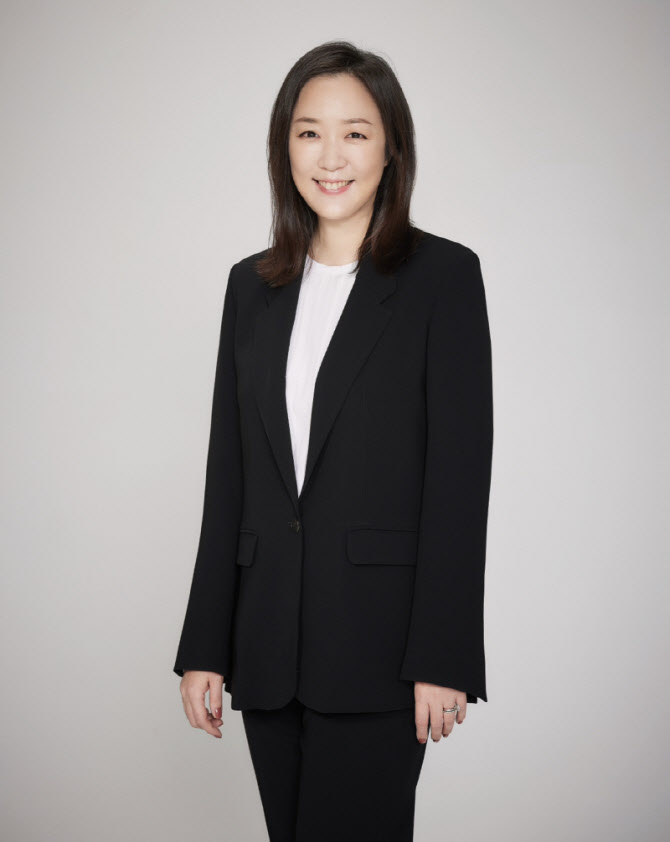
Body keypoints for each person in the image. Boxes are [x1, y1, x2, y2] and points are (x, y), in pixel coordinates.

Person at [173, 40, 494, 842]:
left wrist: (443, 656)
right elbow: (229, 474)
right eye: (309, 132)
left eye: (355, 133)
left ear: (392, 148)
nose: (331, 156)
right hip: (266, 648)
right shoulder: (251, 287)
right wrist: (205, 645)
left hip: (380, 650)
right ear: (284, 148)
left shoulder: (442, 279)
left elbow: (459, 481)